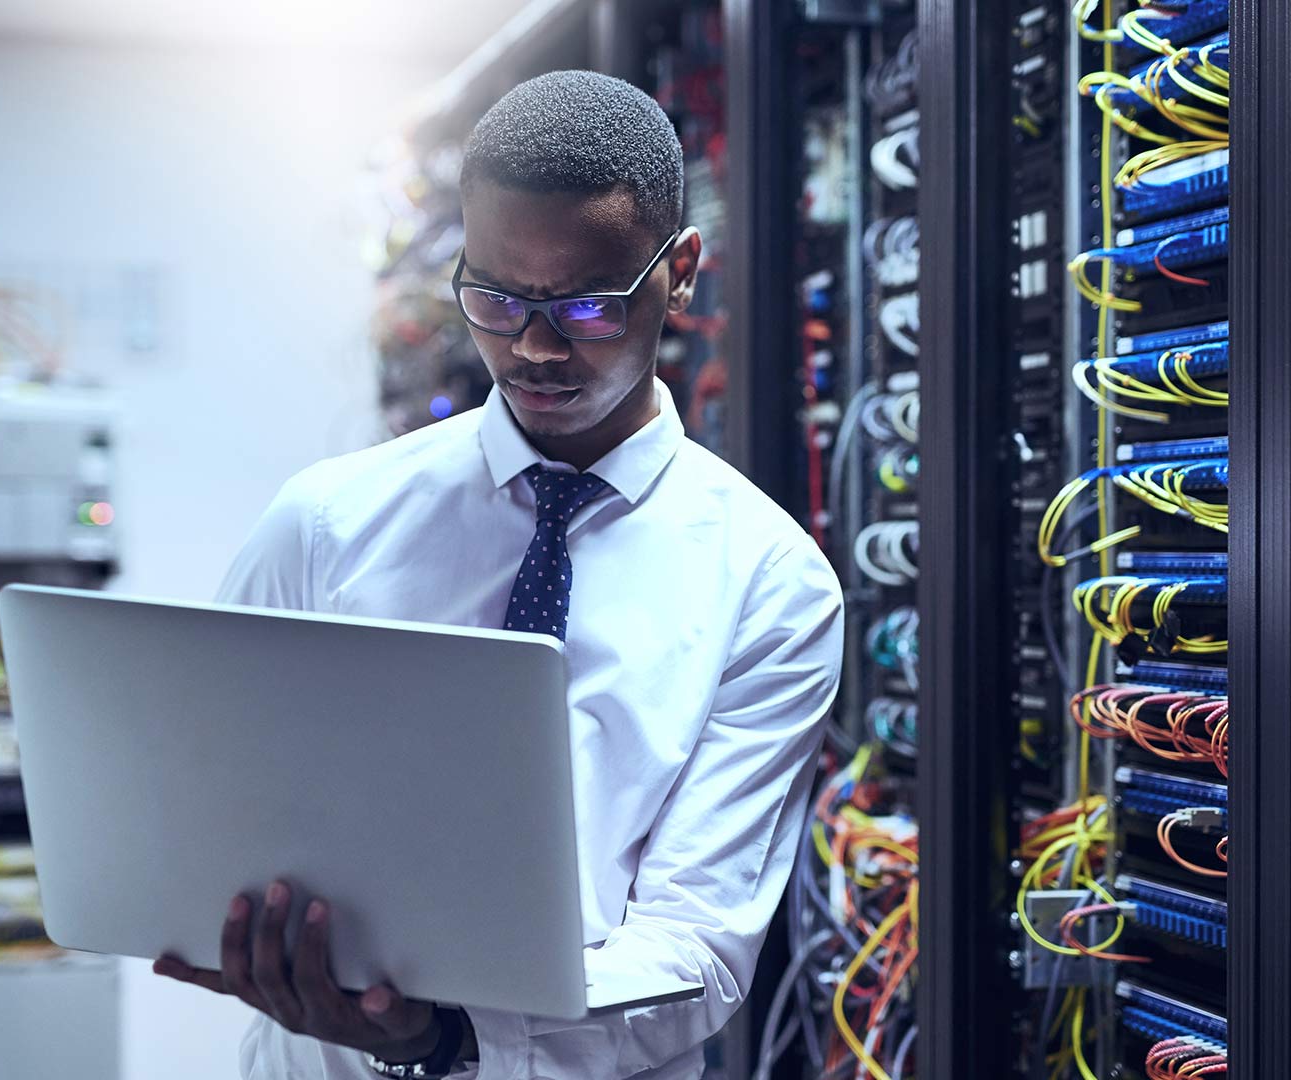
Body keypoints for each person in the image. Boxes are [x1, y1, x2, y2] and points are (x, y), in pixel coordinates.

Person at [153, 70, 845, 1080]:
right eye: (495, 297)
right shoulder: (325, 523)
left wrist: (452, 1037)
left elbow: (697, 947)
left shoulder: (770, 585)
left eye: (588, 307)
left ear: (681, 271)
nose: (532, 345)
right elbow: (205, 803)